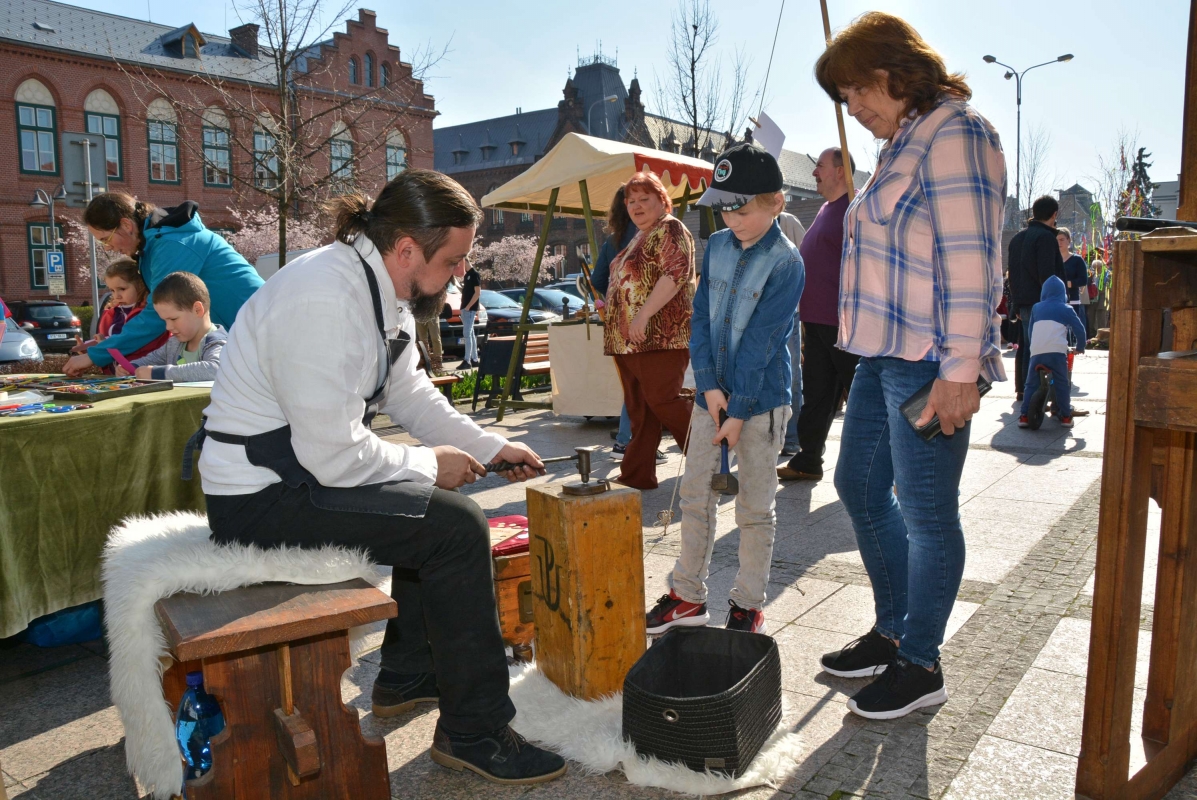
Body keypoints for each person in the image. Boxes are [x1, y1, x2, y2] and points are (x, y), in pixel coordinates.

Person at [193, 169, 565, 785]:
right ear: (407, 250)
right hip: (257, 499)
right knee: (456, 526)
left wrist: (491, 446)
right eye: (453, 260)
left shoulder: (376, 286)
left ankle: (407, 673)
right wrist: (431, 464)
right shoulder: (324, 297)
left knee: (424, 511)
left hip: (292, 475)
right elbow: (334, 457)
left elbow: (410, 392)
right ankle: (475, 730)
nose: (458, 274)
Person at [812, 11, 1007, 720]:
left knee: (926, 515)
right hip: (880, 353)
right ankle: (891, 629)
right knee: (857, 488)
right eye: (843, 96)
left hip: (928, 358)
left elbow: (970, 260)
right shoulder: (899, 144)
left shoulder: (954, 131)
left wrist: (960, 368)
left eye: (857, 89)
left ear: (896, 69)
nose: (852, 107)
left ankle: (920, 662)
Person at [646, 143, 803, 636]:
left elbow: (762, 343)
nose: (731, 217)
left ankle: (747, 603)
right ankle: (688, 594)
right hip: (710, 400)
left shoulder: (786, 262)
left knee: (755, 509)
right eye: (724, 207)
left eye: (743, 207)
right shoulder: (714, 247)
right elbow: (702, 322)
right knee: (695, 496)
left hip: (760, 401)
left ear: (776, 202)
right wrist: (710, 389)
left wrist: (737, 410)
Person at [63, 193, 263, 377]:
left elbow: (155, 317)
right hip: (244, 332)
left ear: (126, 225)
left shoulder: (171, 244)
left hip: (261, 329)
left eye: (106, 238)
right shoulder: (156, 245)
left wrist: (95, 355)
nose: (108, 247)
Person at [603, 171, 696, 489]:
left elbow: (675, 273)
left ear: (662, 201)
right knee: (641, 410)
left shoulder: (670, 228)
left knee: (665, 400)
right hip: (628, 342)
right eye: (631, 201)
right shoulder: (639, 236)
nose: (637, 206)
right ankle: (637, 474)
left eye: (645, 199)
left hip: (660, 336)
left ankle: (714, 460)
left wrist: (641, 317)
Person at [780, 147, 860, 477]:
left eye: (821, 167)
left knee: (859, 394)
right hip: (816, 319)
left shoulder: (854, 210)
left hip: (843, 322)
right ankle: (808, 459)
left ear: (840, 172)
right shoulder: (828, 208)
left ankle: (885, 468)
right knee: (816, 393)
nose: (814, 173)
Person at [593, 187, 662, 462]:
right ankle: (630, 440)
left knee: (635, 385)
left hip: (619, 320)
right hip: (647, 319)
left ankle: (630, 440)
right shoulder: (650, 235)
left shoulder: (614, 239)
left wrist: (614, 295)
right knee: (649, 385)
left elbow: (597, 280)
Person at [118, 272, 227, 383]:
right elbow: (151, 360)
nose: (168, 327)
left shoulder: (219, 342)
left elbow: (215, 369)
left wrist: (157, 373)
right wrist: (131, 367)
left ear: (197, 310)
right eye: (165, 320)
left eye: (173, 319)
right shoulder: (174, 344)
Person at [1007, 196, 1065, 399]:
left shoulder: (1017, 238)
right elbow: (1047, 275)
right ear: (1054, 214)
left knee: (1025, 346)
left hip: (1022, 302)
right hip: (1042, 302)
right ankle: (1035, 392)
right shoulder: (1046, 238)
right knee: (1040, 348)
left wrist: (1015, 304)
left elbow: (1011, 274)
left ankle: (1023, 389)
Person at [72, 258, 170, 367]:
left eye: (122, 289)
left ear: (140, 285)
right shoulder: (111, 314)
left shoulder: (149, 314)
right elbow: (108, 344)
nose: (116, 295)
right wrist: (89, 351)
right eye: (112, 290)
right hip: (117, 377)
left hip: (143, 372)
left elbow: (139, 345)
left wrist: (103, 349)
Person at [1017, 276, 1086, 429]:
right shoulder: (1066, 309)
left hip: (1037, 351)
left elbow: (1030, 331)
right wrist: (1080, 347)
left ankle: (1023, 416)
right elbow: (1079, 330)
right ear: (1063, 293)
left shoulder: (1036, 307)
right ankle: (1066, 417)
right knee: (1062, 383)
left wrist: (1032, 347)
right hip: (1057, 352)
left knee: (1031, 384)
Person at [460, 259, 481, 368]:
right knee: (471, 334)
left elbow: (477, 293)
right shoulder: (467, 275)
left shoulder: (474, 274)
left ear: (465, 261)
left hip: (470, 309)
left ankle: (467, 360)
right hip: (465, 309)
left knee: (467, 334)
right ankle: (474, 359)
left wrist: (468, 307)